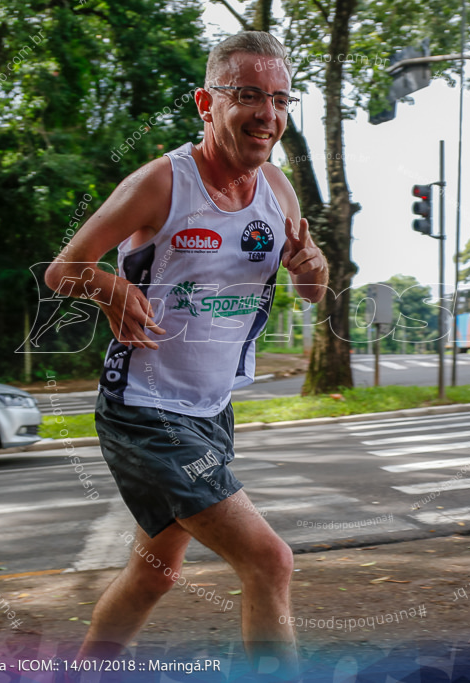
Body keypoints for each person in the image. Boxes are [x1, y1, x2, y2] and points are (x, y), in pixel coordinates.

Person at [44, 32, 327, 675]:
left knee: (155, 573)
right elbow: (64, 271)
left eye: (281, 99)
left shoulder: (277, 191)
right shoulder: (161, 183)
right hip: (144, 408)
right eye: (249, 95)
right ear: (206, 102)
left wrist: (314, 265)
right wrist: (111, 284)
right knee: (269, 560)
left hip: (210, 408)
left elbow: (312, 289)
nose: (268, 114)